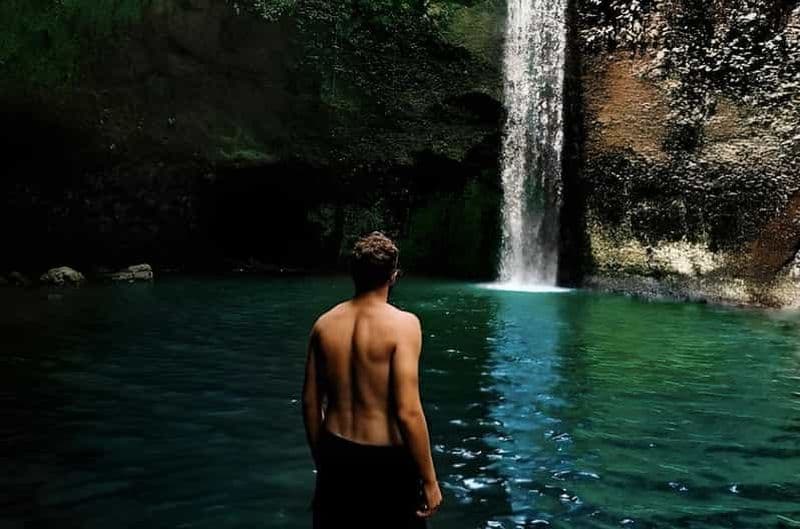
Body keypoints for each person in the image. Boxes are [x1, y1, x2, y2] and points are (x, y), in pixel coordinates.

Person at [302, 231, 442, 529]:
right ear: (393, 276)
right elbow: (408, 411)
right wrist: (430, 479)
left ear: (353, 273)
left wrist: (323, 462)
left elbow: (310, 404)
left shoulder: (324, 324)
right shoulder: (404, 326)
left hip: (336, 455)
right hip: (387, 465)